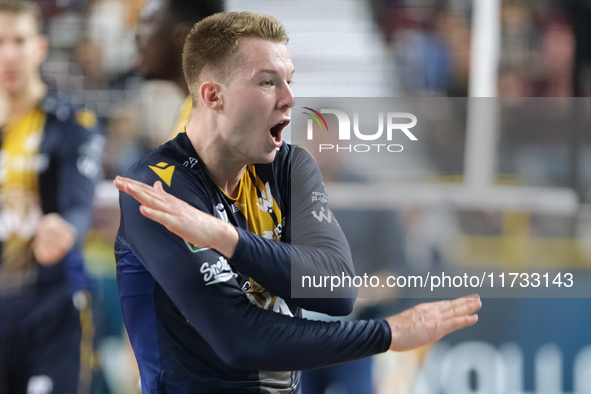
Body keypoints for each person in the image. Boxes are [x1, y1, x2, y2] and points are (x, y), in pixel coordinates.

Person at [114, 11, 481, 393]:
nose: (289, 99)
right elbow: (237, 339)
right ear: (213, 95)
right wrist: (385, 334)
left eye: (289, 81)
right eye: (268, 82)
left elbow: (338, 290)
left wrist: (228, 239)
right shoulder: (158, 184)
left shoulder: (291, 166)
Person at [0, 2, 105, 393]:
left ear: (39, 48)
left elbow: (78, 204)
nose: (9, 53)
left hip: (54, 305)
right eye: (0, 42)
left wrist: (63, 227)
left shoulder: (71, 123)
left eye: (19, 41)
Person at [134, 0, 224, 139]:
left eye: (148, 22)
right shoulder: (192, 109)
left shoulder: (214, 123)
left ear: (187, 38)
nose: (137, 34)